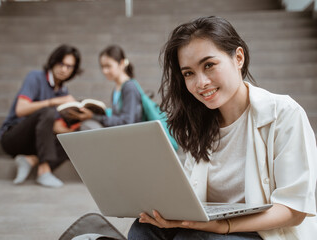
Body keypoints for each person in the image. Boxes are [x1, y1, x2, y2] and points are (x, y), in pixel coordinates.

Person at [128, 16, 317, 240]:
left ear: (238, 58)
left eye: (209, 65)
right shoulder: (199, 123)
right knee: (143, 229)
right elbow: (193, 196)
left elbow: (293, 210)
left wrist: (224, 225)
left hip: (262, 232)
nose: (201, 83)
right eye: (189, 73)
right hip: (212, 227)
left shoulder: (284, 113)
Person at [0, 44, 82, 188]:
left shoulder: (63, 90)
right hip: (13, 137)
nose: (64, 69)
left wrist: (76, 123)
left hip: (36, 143)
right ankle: (44, 170)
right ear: (53, 61)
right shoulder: (35, 77)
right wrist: (54, 101)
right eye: (61, 64)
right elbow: (21, 109)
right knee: (47, 111)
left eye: (69, 67)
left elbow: (52, 126)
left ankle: (31, 160)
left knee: (75, 137)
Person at [74, 45, 143, 129]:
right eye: (102, 67)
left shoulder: (129, 87)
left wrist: (94, 117)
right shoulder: (117, 88)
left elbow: (127, 122)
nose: (104, 71)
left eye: (108, 66)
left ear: (121, 63)